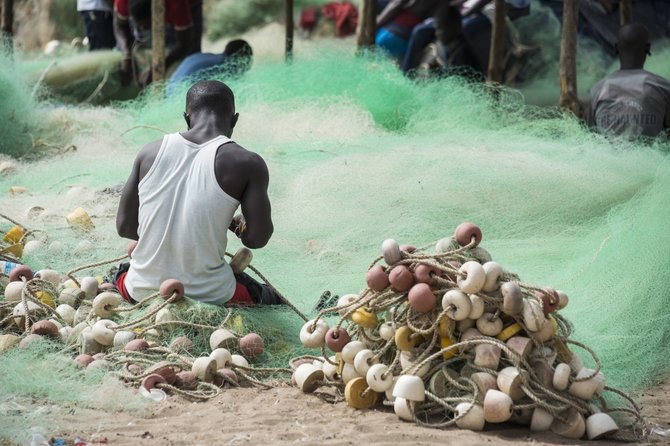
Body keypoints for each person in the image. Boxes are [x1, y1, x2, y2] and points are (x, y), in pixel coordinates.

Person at [116, 80, 282, 306]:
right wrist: (240, 226)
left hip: (139, 289)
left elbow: (125, 227)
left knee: (120, 272)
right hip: (212, 295)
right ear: (234, 120)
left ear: (187, 117)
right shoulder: (248, 162)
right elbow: (257, 239)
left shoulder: (149, 152)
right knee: (267, 295)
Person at [588, 23, 670, 138]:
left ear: (616, 48)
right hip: (649, 155)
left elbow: (591, 137)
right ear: (648, 48)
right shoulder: (663, 87)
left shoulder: (597, 89)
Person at [113, 0, 201, 87]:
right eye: (140, 25)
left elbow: (185, 44)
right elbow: (119, 25)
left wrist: (159, 67)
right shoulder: (123, 2)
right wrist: (127, 55)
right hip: (153, 12)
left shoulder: (177, 6)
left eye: (146, 25)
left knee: (189, 60)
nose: (143, 29)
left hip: (188, 5)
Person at [166, 40, 253, 95]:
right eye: (248, 61)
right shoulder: (224, 65)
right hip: (178, 97)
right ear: (241, 58)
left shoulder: (209, 57)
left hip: (170, 92)